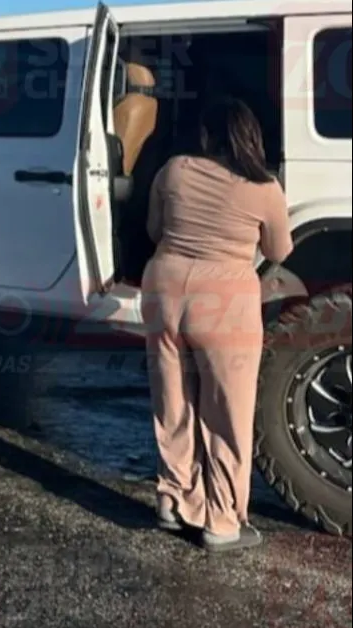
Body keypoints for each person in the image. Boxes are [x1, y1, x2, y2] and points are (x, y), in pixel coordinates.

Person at [141, 97, 292, 553]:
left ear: (206, 135)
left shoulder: (173, 170)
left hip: (164, 289)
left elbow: (153, 230)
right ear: (251, 136)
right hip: (224, 300)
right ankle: (223, 522)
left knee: (173, 399)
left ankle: (174, 500)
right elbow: (280, 251)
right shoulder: (264, 187)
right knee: (227, 411)